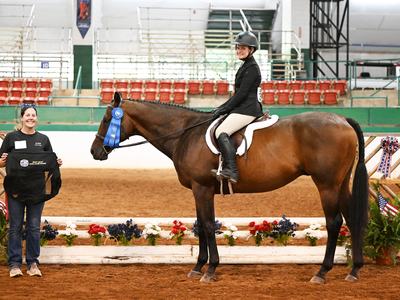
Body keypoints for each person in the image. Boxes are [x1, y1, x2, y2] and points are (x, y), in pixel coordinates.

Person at [0, 104, 62, 278]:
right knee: (15, 227)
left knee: (34, 227)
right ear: (22, 118)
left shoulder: (43, 139)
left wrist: (56, 163)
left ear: (36, 118)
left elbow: (49, 162)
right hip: (15, 191)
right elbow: (0, 162)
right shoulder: (11, 138)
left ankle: (33, 263)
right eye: (27, 115)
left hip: (36, 191)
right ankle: (14, 264)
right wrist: (2, 162)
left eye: (33, 115)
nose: (30, 118)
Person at [211, 31, 263, 183]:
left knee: (221, 131)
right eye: (237, 48)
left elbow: (241, 95)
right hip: (241, 107)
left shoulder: (252, 68)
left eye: (243, 48)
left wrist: (224, 109)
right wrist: (222, 108)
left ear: (251, 50)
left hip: (247, 109)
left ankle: (231, 170)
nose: (239, 51)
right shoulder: (246, 65)